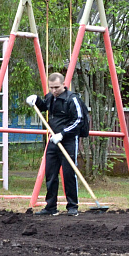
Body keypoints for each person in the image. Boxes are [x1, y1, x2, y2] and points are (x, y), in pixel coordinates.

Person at [26, 73, 87, 217]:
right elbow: (43, 107)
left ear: (64, 84)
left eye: (57, 87)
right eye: (51, 87)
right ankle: (51, 206)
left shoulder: (72, 100)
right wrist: (36, 100)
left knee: (68, 173)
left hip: (69, 141)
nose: (54, 90)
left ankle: (72, 206)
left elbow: (79, 120)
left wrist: (63, 134)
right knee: (51, 173)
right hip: (53, 140)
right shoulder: (50, 97)